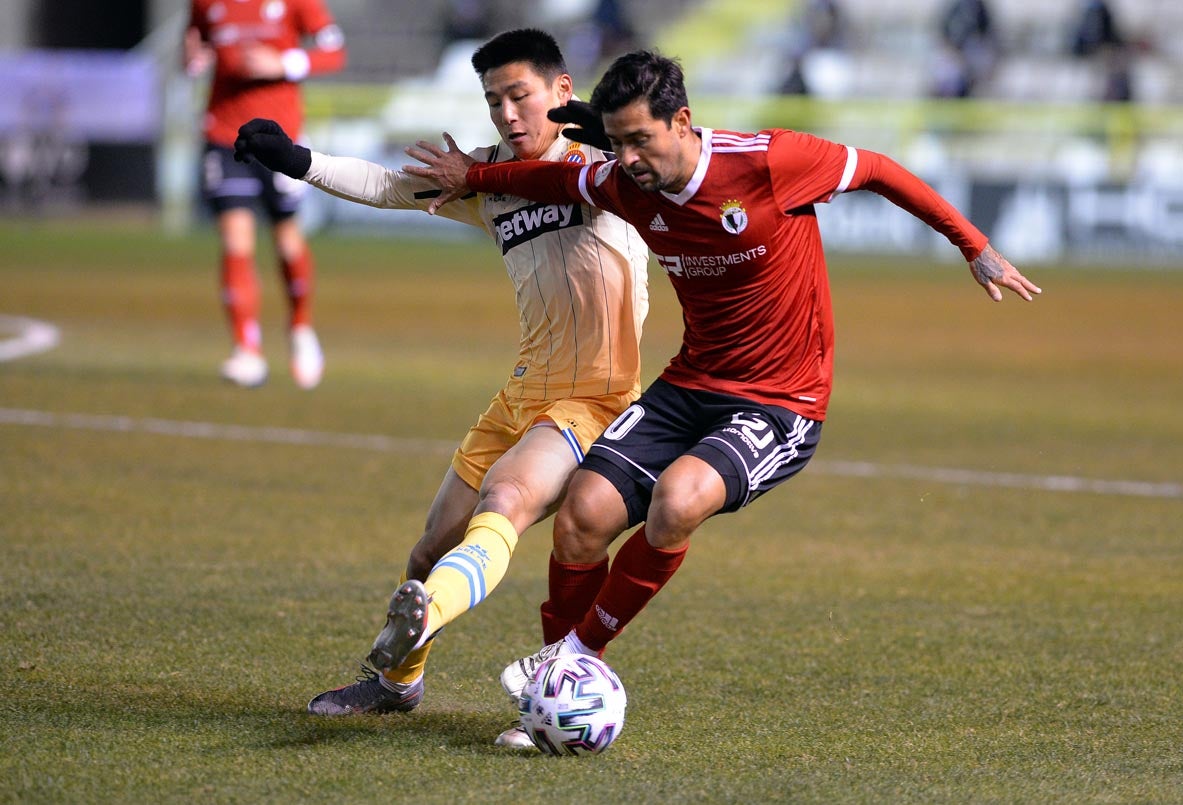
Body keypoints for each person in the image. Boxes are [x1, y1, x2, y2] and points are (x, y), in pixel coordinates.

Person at [403, 49, 1042, 735]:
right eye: (615, 143)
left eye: (640, 139)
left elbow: (880, 170)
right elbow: (553, 182)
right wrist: (474, 175)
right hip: (689, 383)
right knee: (581, 514)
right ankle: (551, 690)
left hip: (780, 400)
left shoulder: (768, 164)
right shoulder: (624, 182)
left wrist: (972, 245)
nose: (628, 158)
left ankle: (572, 656)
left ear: (681, 120)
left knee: (677, 500)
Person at [232, 29, 650, 748]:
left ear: (558, 89)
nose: (508, 114)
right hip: (521, 390)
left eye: (520, 95)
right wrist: (296, 161)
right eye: (493, 101)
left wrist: (601, 124)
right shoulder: (481, 175)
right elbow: (393, 188)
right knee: (428, 550)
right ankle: (398, 684)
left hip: (595, 395)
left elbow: (686, 152)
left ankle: (430, 616)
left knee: (509, 500)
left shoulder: (613, 163)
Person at [185, 0, 346, 388]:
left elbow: (334, 51)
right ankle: (247, 350)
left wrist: (283, 63)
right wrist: (193, 58)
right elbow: (193, 44)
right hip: (223, 134)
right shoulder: (206, 2)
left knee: (286, 236)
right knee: (234, 238)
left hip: (280, 138)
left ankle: (300, 329)